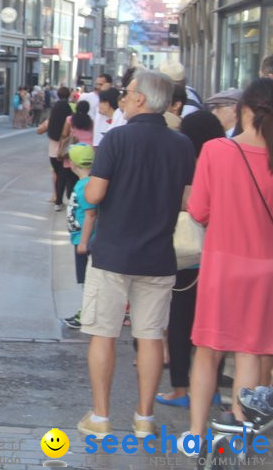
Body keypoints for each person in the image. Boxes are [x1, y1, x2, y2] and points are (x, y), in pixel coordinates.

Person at [76, 69, 196, 440]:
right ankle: (144, 417)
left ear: (141, 98)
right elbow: (189, 202)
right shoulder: (182, 145)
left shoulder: (117, 139)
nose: (123, 98)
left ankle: (100, 416)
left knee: (103, 334)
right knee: (149, 336)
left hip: (113, 253)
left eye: (127, 93)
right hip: (158, 255)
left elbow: (94, 195)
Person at [183, 78, 273, 454]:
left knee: (208, 351)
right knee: (249, 354)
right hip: (266, 270)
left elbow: (199, 211)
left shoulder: (217, 150)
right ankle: (238, 435)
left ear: (243, 109)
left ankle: (195, 435)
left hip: (222, 267)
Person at [155, 110, 226, 410]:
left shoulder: (184, 164)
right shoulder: (228, 162)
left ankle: (181, 389)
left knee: (181, 326)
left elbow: (192, 208)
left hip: (186, 258)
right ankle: (211, 390)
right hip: (221, 257)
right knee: (214, 329)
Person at [62, 143, 96, 329]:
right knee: (86, 278)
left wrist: (83, 241)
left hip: (84, 240)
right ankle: (87, 310)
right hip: (82, 238)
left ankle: (87, 313)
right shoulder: (87, 182)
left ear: (72, 164)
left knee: (86, 279)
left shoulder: (85, 185)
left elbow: (91, 214)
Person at [38, 88, 74, 211]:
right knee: (65, 176)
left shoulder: (53, 116)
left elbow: (39, 130)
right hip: (65, 152)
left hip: (53, 151)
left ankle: (57, 201)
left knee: (58, 175)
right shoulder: (70, 117)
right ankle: (63, 200)